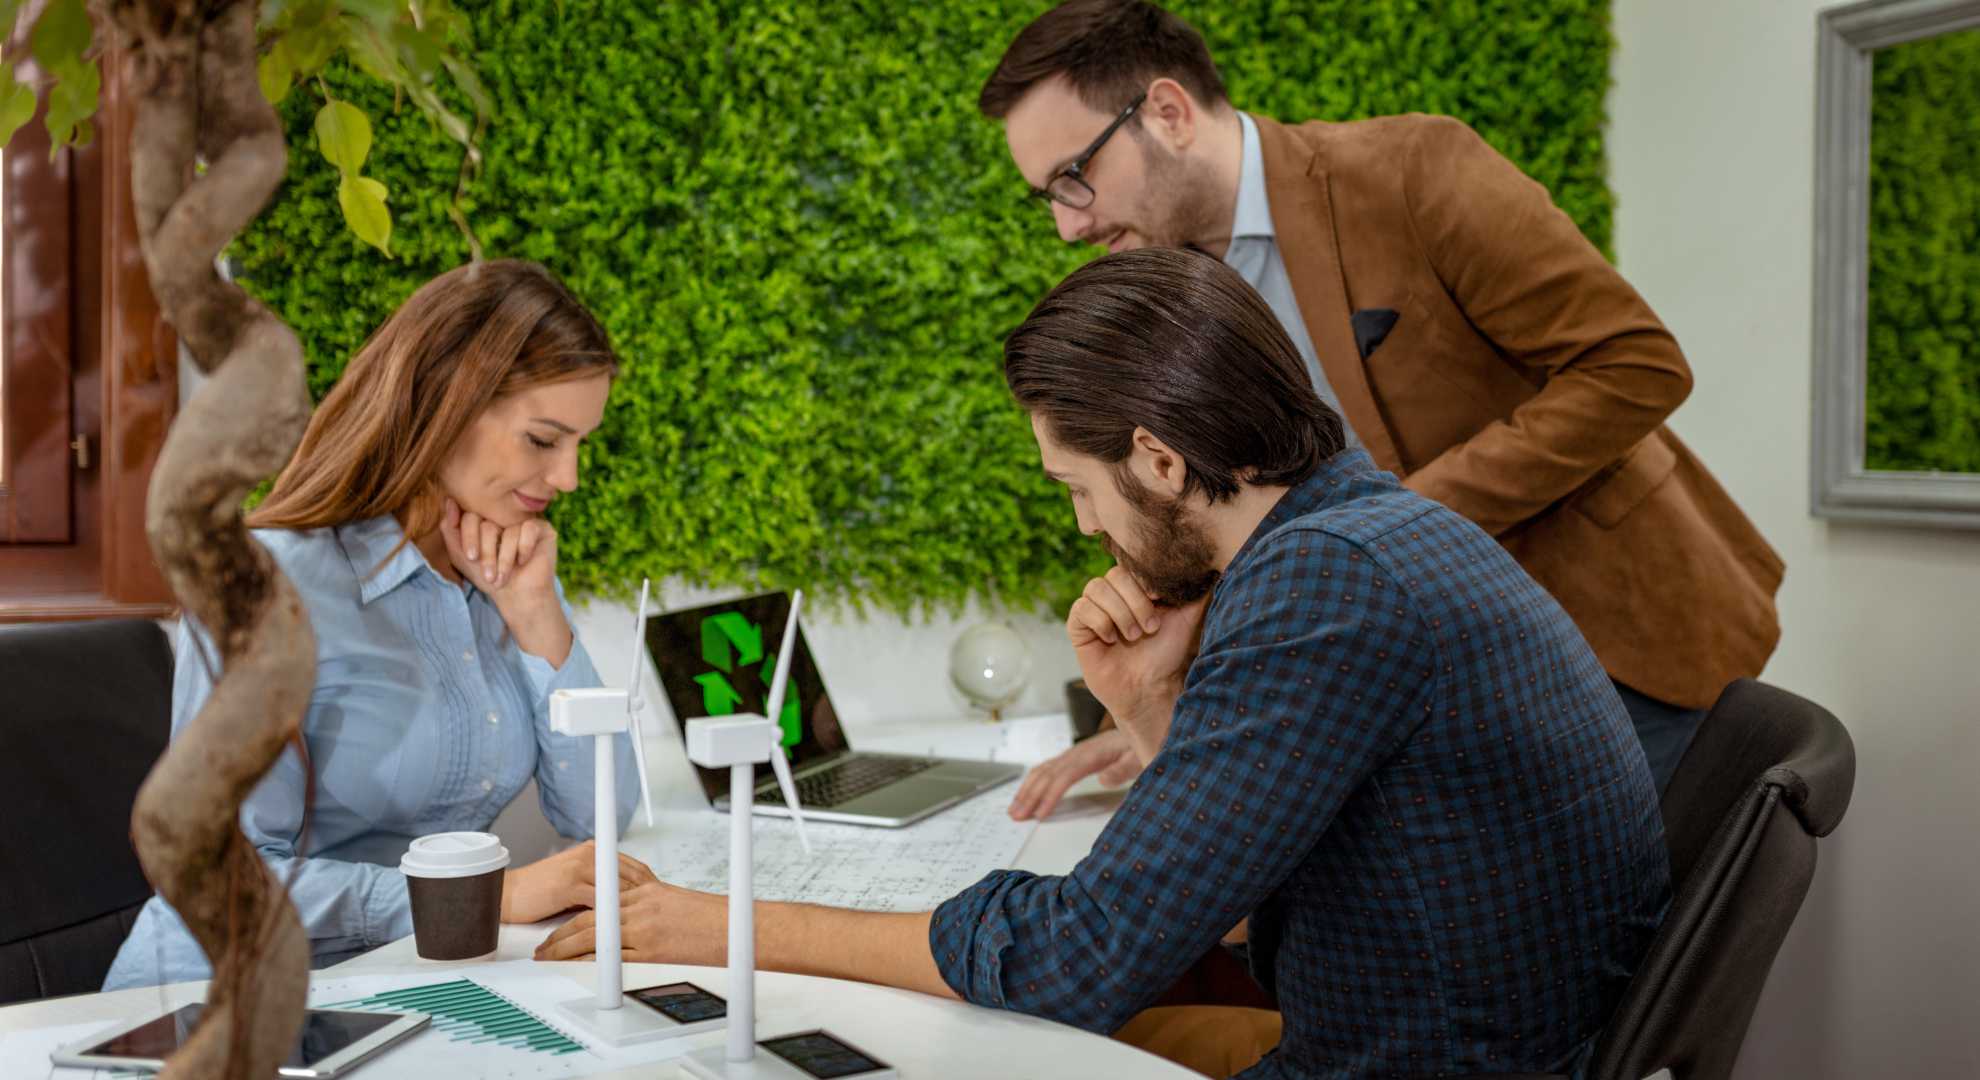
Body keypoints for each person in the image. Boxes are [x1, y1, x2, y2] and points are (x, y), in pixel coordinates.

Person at [537, 249, 1671, 1079]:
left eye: (1077, 489)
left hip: (1417, 1061)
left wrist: (713, 923)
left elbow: (1081, 960)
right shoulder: (1368, 530)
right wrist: (1145, 703)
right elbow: (1228, 893)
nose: (1085, 527)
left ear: (1160, 460)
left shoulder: (1325, 587)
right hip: (1456, 1034)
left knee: (949, 1052)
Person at [985, 0, 1784, 807]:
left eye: (1073, 176)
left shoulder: (1412, 168)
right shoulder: (1170, 295)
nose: (1065, 224)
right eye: (1045, 195)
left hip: (1614, 642)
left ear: (1168, 111)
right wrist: (1155, 715)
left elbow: (1635, 364)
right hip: (1422, 693)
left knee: (1626, 931)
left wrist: (1398, 530)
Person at [104, 260, 654, 989]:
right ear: (445, 403)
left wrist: (535, 615)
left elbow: (603, 815)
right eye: (544, 440)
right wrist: (485, 899)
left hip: (400, 981)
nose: (568, 479)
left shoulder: (501, 576)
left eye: (580, 445)